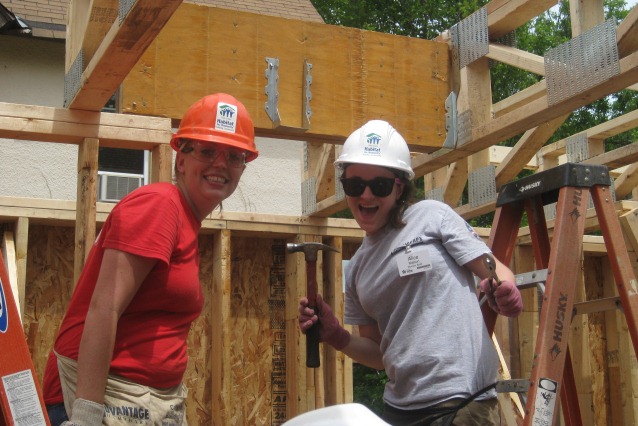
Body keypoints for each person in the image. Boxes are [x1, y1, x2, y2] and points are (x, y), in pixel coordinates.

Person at [42, 93, 259, 426]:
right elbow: (104, 307)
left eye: (234, 155)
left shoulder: (184, 219)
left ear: (243, 168)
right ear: (181, 160)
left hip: (148, 401)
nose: (221, 163)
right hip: (108, 398)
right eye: (207, 150)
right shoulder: (159, 206)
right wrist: (86, 414)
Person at [298, 120, 523, 426]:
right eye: (354, 185)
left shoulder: (432, 216)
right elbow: (379, 353)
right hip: (400, 411)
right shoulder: (358, 268)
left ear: (399, 186)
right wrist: (338, 336)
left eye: (379, 185)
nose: (366, 195)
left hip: (462, 404)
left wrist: (505, 288)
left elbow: (495, 270)